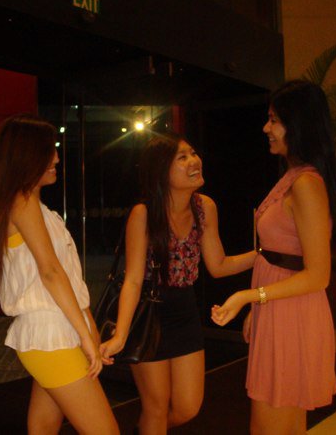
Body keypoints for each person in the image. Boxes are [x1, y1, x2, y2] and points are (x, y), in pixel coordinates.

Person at [99, 132, 257, 434]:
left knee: (188, 407)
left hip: (185, 312)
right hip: (148, 313)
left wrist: (263, 255)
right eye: (182, 157)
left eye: (193, 153)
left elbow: (219, 265)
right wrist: (120, 334)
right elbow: (133, 280)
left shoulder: (205, 207)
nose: (194, 161)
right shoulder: (144, 213)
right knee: (156, 408)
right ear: (161, 170)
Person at [211, 80, 336, 434]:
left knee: (271, 425)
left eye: (274, 120)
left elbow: (318, 275)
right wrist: (257, 307)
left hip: (292, 313)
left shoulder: (306, 184)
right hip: (279, 308)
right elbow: (276, 254)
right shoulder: (293, 176)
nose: (266, 128)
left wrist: (249, 297)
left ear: (298, 124)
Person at [0, 114, 119, 435]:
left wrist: (88, 328)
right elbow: (50, 272)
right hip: (49, 334)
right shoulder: (22, 202)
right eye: (49, 151)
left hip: (57, 332)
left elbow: (67, 277)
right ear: (27, 156)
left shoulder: (38, 208)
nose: (57, 158)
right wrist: (86, 334)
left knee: (43, 428)